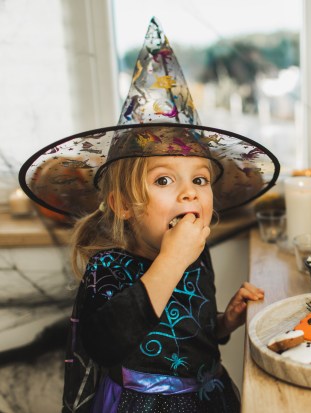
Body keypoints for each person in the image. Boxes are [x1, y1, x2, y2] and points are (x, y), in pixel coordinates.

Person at [18, 18, 280, 413]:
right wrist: (171, 260)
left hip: (211, 400)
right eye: (163, 180)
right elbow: (104, 344)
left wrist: (225, 322)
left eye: (200, 179)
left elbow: (195, 335)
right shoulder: (108, 268)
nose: (190, 191)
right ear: (124, 205)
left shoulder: (196, 254)